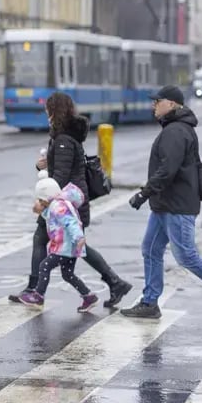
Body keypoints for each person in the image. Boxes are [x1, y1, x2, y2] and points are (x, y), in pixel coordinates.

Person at [8, 92, 132, 307]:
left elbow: (61, 177)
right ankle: (112, 284)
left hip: (66, 204)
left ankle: (35, 289)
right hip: (67, 202)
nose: (46, 112)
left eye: (48, 109)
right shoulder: (63, 135)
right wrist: (44, 164)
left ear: (54, 111)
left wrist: (44, 201)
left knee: (62, 243)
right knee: (74, 246)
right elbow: (62, 168)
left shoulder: (64, 138)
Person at [122, 86, 202, 319]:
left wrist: (144, 194)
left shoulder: (176, 132)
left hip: (177, 205)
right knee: (150, 249)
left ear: (171, 104)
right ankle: (150, 302)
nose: (153, 105)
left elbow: (167, 170)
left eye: (157, 101)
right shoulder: (175, 128)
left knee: (187, 257)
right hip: (165, 204)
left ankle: (149, 301)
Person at [18, 171, 99, 312]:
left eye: (39, 199)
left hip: (66, 247)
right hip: (69, 247)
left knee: (44, 266)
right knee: (67, 274)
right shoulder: (55, 205)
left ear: (45, 198)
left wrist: (79, 238)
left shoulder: (59, 207)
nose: (38, 202)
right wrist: (40, 211)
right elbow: (51, 216)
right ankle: (88, 297)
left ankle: (38, 296)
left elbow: (71, 223)